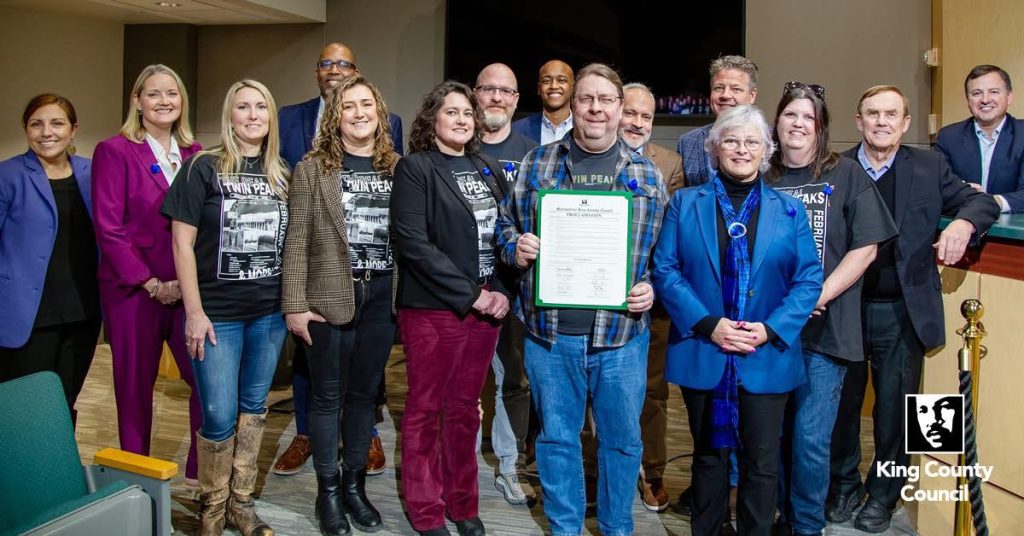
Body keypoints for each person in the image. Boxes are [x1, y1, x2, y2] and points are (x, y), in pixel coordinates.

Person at [495, 63, 669, 536]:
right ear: (572, 106)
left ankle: (616, 527)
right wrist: (515, 246)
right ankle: (565, 528)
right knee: (556, 441)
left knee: (622, 442)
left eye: (605, 99)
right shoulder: (537, 164)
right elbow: (504, 227)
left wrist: (652, 286)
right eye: (586, 99)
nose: (596, 108)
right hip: (550, 336)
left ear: (620, 108)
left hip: (621, 336)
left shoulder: (647, 174)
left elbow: (666, 254)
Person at [828, 85, 999, 533]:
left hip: (902, 310)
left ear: (905, 123)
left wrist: (963, 222)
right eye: (872, 113)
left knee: (898, 410)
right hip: (845, 307)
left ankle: (885, 495)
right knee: (841, 406)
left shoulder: (929, 166)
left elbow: (979, 200)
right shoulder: (836, 168)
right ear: (859, 121)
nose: (881, 122)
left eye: (891, 114)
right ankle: (842, 486)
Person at [652, 104, 823, 536]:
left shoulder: (790, 210)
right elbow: (666, 270)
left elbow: (808, 279)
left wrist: (769, 329)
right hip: (704, 348)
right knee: (709, 457)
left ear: (766, 151)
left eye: (752, 142)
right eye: (731, 140)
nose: (741, 149)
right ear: (715, 148)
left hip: (766, 353)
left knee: (762, 461)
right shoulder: (685, 203)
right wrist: (709, 323)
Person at [765, 82, 897, 536]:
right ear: (777, 122)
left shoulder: (846, 174)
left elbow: (866, 248)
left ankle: (807, 525)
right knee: (771, 435)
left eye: (809, 117)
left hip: (826, 333)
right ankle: (778, 517)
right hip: (769, 331)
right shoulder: (762, 175)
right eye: (791, 115)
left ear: (821, 127)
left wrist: (814, 296)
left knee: (809, 439)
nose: (798, 124)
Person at [162, 79, 289, 536]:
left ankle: (241, 503)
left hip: (269, 314)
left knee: (254, 408)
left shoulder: (283, 174)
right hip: (217, 315)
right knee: (218, 413)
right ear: (229, 116)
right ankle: (212, 509)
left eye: (261, 107)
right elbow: (182, 244)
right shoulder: (202, 167)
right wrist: (194, 313)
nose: (253, 115)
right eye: (243, 107)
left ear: (271, 116)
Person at [274, 41, 402, 477]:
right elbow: (296, 241)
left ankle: (354, 489)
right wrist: (294, 305)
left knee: (364, 397)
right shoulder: (312, 168)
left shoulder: (398, 169)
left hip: (381, 300)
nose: (359, 113)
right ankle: (328, 493)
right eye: (349, 106)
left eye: (366, 104)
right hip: (328, 298)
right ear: (336, 116)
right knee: (327, 398)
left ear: (379, 113)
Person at [391, 80, 513, 536]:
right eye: (451, 112)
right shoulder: (415, 168)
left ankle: (463, 504)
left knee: (464, 410)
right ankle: (425, 509)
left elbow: (505, 232)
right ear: (432, 119)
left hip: (485, 312)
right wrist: (471, 294)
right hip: (434, 310)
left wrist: (501, 290)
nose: (462, 120)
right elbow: (414, 245)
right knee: (426, 409)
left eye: (467, 113)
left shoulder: (486, 166)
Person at [92, 63, 203, 485]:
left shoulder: (195, 153)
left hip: (187, 291)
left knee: (205, 380)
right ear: (137, 101)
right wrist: (151, 283)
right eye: (153, 94)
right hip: (134, 291)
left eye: (171, 93)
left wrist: (185, 286)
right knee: (134, 389)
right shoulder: (114, 151)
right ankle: (136, 483)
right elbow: (109, 227)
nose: (163, 101)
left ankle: (200, 474)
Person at [0, 94, 100, 423]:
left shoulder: (93, 172)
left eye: (57, 123)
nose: (47, 132)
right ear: (26, 130)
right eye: (36, 124)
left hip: (83, 312)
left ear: (73, 129)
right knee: (26, 409)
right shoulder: (8, 175)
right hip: (28, 316)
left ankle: (59, 459)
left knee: (65, 402)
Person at [611, 82, 685, 512]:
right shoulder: (589, 156)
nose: (637, 123)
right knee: (596, 391)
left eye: (646, 117)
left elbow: (674, 235)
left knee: (653, 390)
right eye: (631, 113)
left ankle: (652, 471)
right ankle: (596, 469)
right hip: (596, 296)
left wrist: (655, 283)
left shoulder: (670, 164)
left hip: (651, 297)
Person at [473, 62, 539, 506]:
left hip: (515, 288)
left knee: (514, 380)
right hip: (464, 287)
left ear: (516, 100)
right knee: (458, 383)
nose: (497, 97)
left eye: (506, 91)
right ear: (475, 93)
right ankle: (456, 463)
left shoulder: (534, 155)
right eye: (488, 89)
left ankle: (511, 466)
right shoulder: (457, 143)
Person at [935, 64, 1024, 213]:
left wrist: (992, 202)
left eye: (994, 92)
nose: (985, 100)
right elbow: (937, 188)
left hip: (1010, 225)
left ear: (1009, 97)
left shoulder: (1022, 134)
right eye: (976, 93)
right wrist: (961, 193)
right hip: (960, 220)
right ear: (967, 100)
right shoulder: (948, 137)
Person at [677, 55, 759, 187]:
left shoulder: (768, 140)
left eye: (736, 89)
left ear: (752, 95)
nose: (725, 95)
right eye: (719, 88)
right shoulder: (688, 142)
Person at [511, 59, 575, 144]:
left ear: (573, 88)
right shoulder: (515, 130)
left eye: (561, 80)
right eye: (546, 81)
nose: (554, 86)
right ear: (539, 88)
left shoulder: (587, 128)